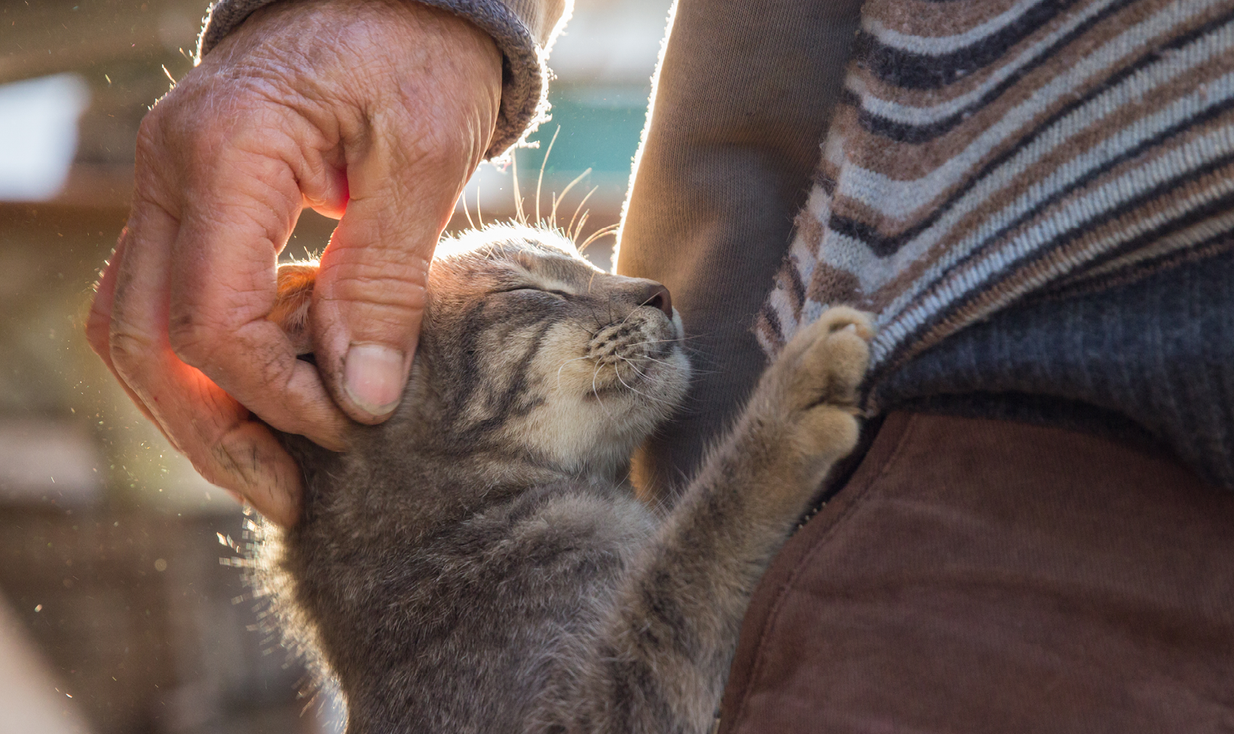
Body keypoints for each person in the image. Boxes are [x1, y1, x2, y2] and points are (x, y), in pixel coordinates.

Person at [87, 0, 1234, 729]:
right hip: (997, 408)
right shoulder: (442, 597)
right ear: (372, 372)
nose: (637, 295)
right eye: (548, 296)